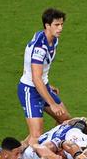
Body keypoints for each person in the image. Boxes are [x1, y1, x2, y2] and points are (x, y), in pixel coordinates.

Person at [17, 8, 71, 146]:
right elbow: (35, 78)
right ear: (47, 25)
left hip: (42, 85)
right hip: (30, 90)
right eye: (56, 25)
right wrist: (52, 104)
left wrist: (48, 85)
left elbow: (41, 71)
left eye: (62, 24)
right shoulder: (40, 48)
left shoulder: (52, 39)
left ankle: (49, 145)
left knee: (65, 120)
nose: (60, 28)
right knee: (36, 135)